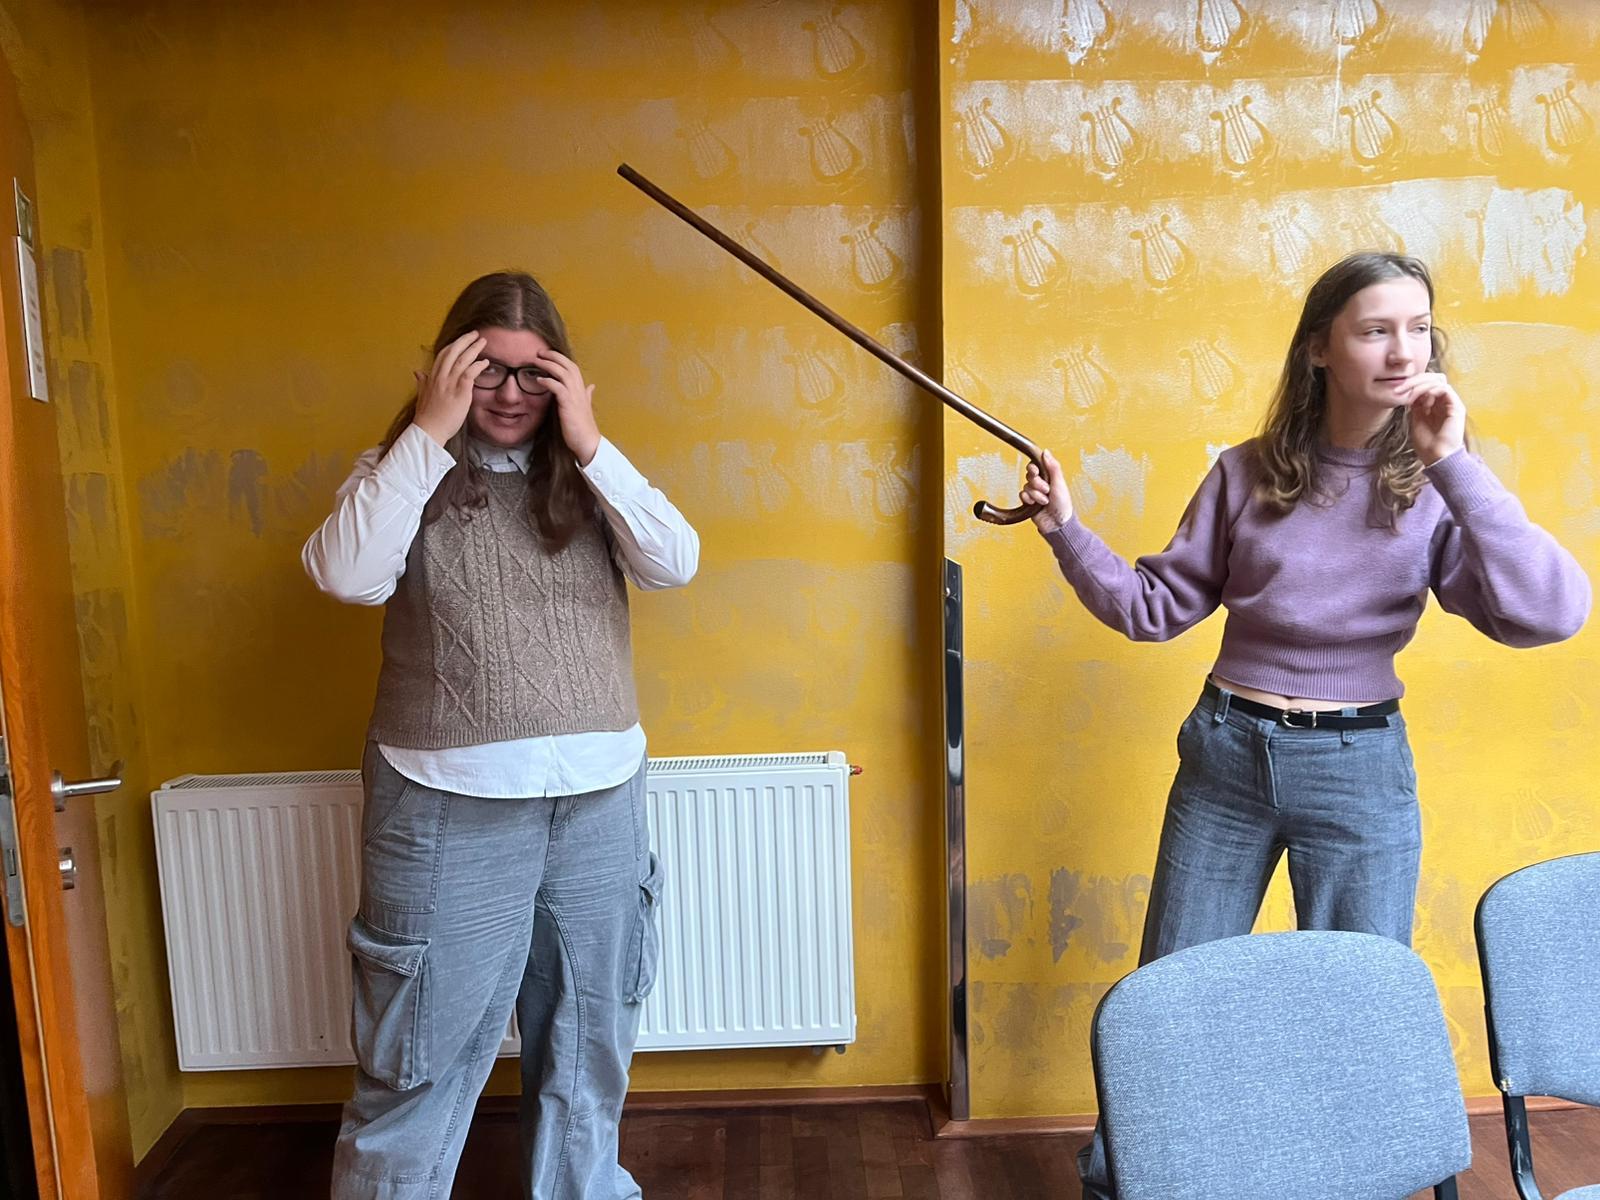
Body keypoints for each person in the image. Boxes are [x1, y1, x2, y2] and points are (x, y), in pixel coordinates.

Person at [1018, 252, 1590, 1198]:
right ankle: (1130, 1181)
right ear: (1321, 348)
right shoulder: (1245, 474)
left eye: (1419, 329)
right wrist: (1064, 529)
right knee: (1169, 998)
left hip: (1359, 769)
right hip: (1226, 757)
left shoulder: (1435, 490)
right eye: (1376, 330)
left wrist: (1454, 464)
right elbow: (1153, 608)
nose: (1403, 351)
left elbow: (1552, 611)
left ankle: (1353, 1178)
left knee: (1360, 1003)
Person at [303, 270, 699, 1199]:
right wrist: (427, 433)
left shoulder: (589, 474)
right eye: (487, 371)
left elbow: (674, 562)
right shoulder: (401, 469)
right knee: (418, 1056)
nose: (511, 393)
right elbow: (345, 574)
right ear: (448, 369)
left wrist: (590, 440)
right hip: (447, 804)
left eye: (533, 373)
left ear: (563, 378)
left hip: (598, 799)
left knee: (590, 1042)